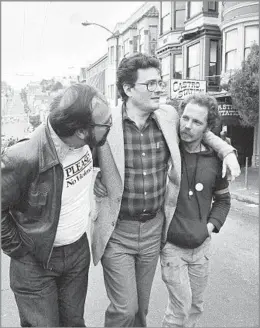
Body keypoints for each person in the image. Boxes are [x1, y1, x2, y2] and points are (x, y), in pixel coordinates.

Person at [92, 53, 240, 327]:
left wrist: (227, 151)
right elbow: (77, 154)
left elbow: (200, 128)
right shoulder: (105, 123)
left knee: (141, 311)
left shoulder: (168, 116)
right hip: (117, 231)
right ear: (127, 89)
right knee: (124, 309)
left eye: (160, 82)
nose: (159, 88)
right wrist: (94, 178)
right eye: (151, 84)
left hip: (152, 232)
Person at [1, 83, 112, 327]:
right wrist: (19, 250)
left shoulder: (89, 140)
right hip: (35, 262)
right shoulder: (23, 156)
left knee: (74, 323)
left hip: (76, 252)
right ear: (82, 132)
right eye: (106, 123)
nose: (111, 125)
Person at [160, 94, 231, 327]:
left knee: (195, 307)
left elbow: (223, 200)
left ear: (207, 128)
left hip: (201, 248)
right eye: (185, 118)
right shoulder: (167, 150)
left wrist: (209, 228)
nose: (187, 126)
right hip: (172, 247)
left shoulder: (215, 160)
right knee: (180, 309)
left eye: (197, 122)